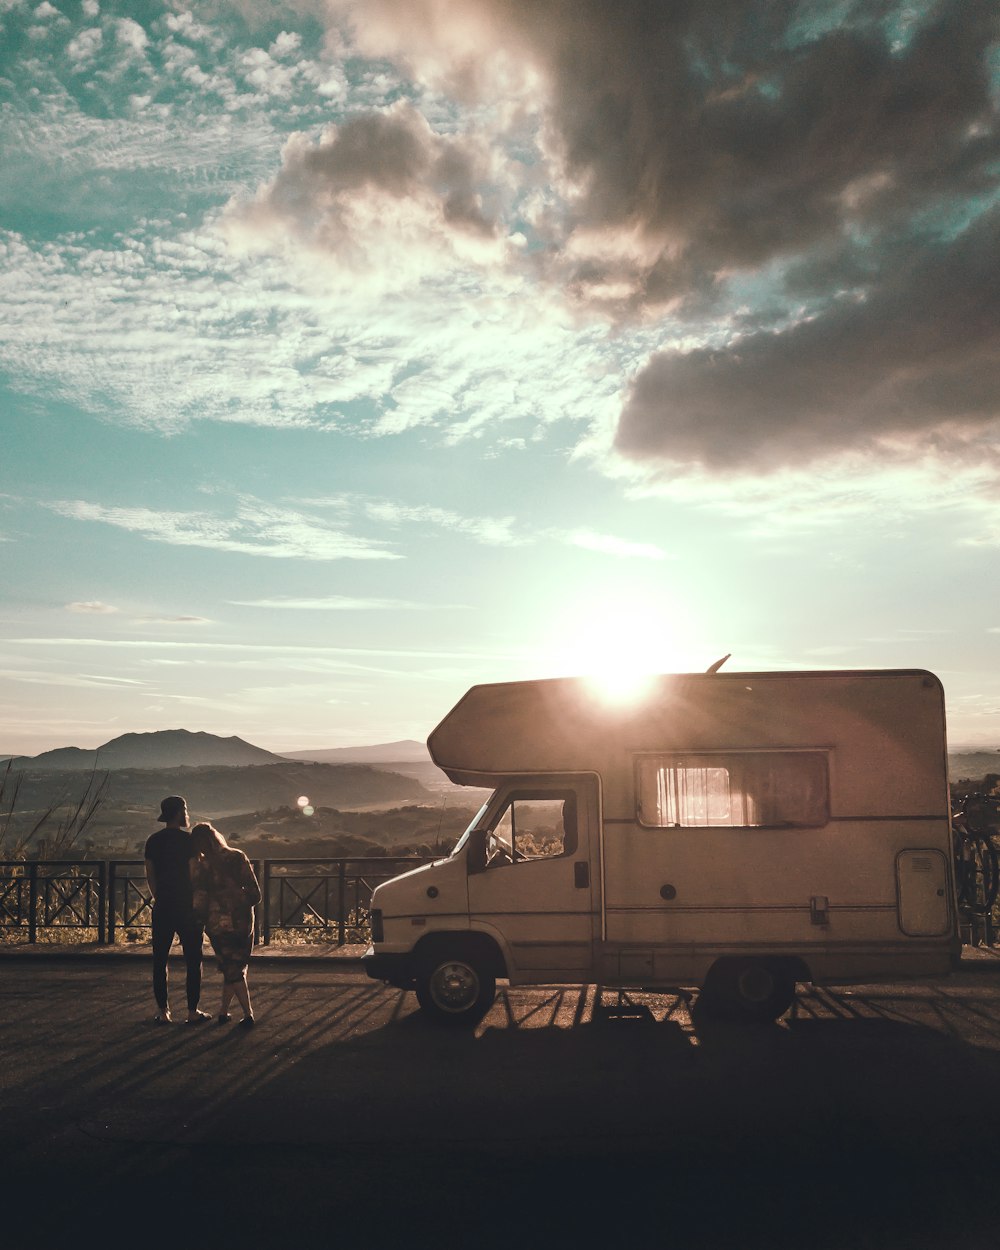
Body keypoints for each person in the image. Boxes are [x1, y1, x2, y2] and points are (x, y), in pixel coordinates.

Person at [144, 796, 210, 1024]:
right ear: (179, 813)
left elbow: (150, 875)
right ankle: (192, 1012)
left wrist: (160, 897)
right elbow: (196, 874)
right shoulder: (189, 841)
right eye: (185, 809)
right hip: (187, 906)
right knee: (193, 959)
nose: (187, 814)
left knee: (160, 959)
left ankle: (163, 1012)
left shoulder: (152, 841)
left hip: (163, 906)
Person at [190, 822, 261, 1027]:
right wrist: (239, 902)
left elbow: (199, 898)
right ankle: (227, 1012)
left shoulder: (202, 866)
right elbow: (255, 894)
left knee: (231, 967)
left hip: (217, 924)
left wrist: (200, 919)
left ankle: (246, 1014)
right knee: (237, 965)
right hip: (243, 921)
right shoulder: (238, 857)